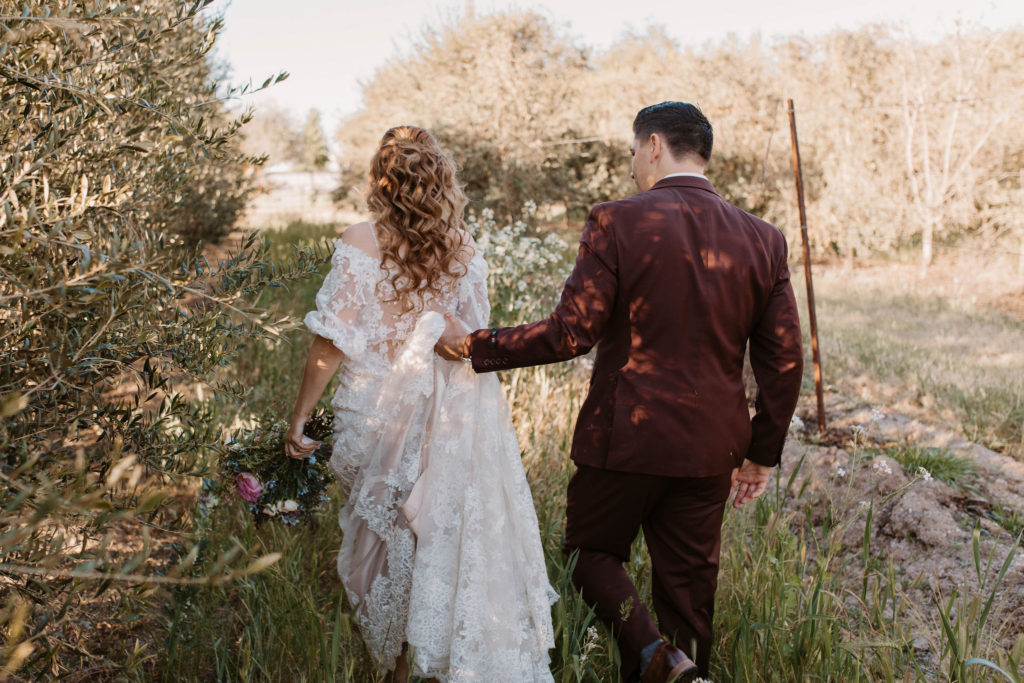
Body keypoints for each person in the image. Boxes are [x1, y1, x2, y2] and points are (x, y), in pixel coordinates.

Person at [436, 101, 804, 682]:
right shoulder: (764, 239)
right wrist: (761, 452)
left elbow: (570, 332)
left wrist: (475, 344)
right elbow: (783, 360)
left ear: (654, 145)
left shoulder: (617, 220)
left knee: (590, 556)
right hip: (714, 448)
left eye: (634, 151)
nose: (633, 164)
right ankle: (683, 668)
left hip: (625, 437)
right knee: (688, 589)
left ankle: (656, 657)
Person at [285, 126, 556, 683]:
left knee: (379, 543)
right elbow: (473, 336)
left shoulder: (360, 240)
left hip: (375, 413)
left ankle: (396, 666)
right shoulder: (465, 249)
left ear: (380, 181)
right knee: (429, 533)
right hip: (445, 417)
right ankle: (422, 655)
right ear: (442, 180)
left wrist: (301, 415)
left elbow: (332, 339)